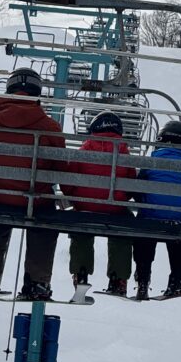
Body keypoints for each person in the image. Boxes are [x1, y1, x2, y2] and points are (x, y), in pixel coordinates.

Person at [0, 68, 66, 299]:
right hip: (35, 199)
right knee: (44, 223)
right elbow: (60, 165)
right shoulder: (49, 127)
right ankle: (37, 282)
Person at [62, 110, 136, 296]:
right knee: (124, 225)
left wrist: (74, 197)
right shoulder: (124, 153)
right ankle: (118, 279)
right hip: (115, 209)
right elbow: (132, 183)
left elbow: (68, 182)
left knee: (81, 225)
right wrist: (120, 198)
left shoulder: (84, 150)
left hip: (85, 206)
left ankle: (81, 273)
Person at [132, 120, 181, 300]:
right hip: (176, 223)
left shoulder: (149, 164)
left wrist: (146, 204)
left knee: (144, 229)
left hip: (148, 221)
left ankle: (142, 278)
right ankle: (178, 278)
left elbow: (137, 192)